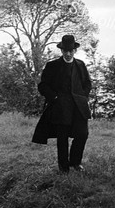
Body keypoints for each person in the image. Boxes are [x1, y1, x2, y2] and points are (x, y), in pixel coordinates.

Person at [32, 34, 92, 173]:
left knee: (82, 134)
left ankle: (75, 162)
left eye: (71, 51)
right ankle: (64, 168)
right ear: (62, 51)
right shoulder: (52, 66)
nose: (68, 53)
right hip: (60, 107)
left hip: (78, 107)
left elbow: (87, 84)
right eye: (66, 51)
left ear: (75, 50)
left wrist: (83, 96)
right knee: (62, 138)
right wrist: (55, 97)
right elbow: (43, 86)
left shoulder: (80, 65)